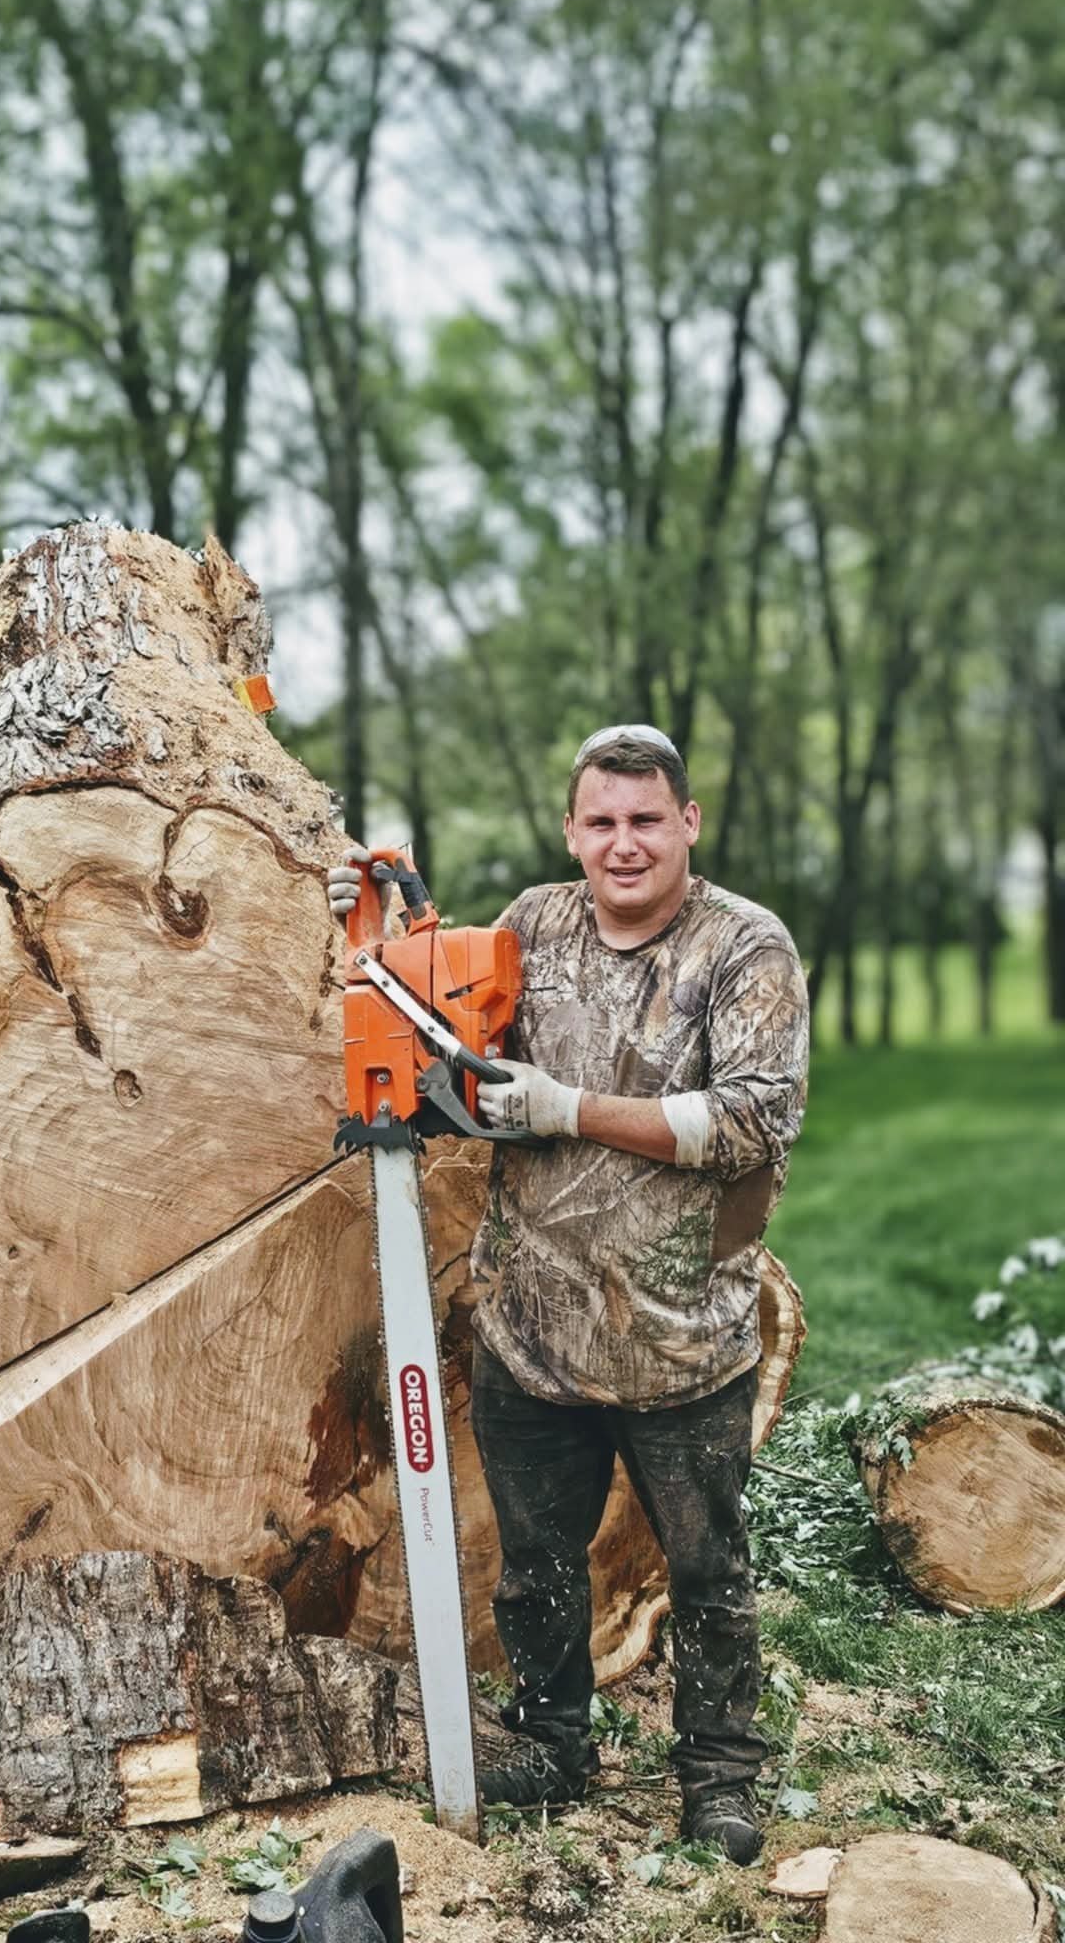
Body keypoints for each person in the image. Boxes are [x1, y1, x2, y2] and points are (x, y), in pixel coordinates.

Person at [326, 724, 809, 1863]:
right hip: (533, 1331)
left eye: (648, 819)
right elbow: (432, 1027)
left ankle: (718, 1778)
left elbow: (750, 1119)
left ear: (688, 822)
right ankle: (552, 1739)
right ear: (572, 829)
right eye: (603, 820)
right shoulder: (532, 926)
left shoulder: (745, 947)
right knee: (538, 1564)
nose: (625, 843)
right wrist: (374, 928)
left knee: (708, 1571)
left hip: (682, 1340)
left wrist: (564, 1107)